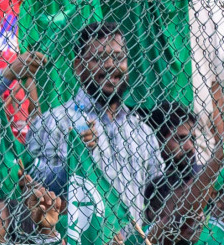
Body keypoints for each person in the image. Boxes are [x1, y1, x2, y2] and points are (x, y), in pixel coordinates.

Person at [28, 22, 162, 229]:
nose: (110, 65)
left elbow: (156, 194)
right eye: (99, 58)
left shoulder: (141, 130)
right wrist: (76, 158)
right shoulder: (54, 121)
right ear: (78, 66)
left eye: (118, 57)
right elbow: (34, 187)